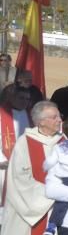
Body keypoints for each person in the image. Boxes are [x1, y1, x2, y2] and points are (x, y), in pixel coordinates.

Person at [0, 101, 68, 235]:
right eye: (54, 117)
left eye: (58, 116)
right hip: (34, 204)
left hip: (60, 204)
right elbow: (19, 179)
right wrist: (49, 193)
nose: (59, 120)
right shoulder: (25, 142)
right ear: (41, 121)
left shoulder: (63, 140)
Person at [1, 86, 33, 225]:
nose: (24, 102)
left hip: (23, 168)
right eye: (21, 98)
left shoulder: (30, 115)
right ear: (12, 97)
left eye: (27, 99)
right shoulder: (2, 114)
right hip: (3, 168)